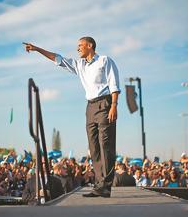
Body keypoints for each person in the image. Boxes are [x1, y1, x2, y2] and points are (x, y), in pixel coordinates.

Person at [24, 36, 120, 198]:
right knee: (94, 147)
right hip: (90, 106)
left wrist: (114, 106)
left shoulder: (104, 60)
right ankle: (99, 185)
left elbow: (114, 84)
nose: (77, 48)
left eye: (80, 45)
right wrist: (37, 49)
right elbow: (58, 58)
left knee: (106, 144)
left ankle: (106, 185)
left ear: (90, 46)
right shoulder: (80, 65)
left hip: (105, 104)